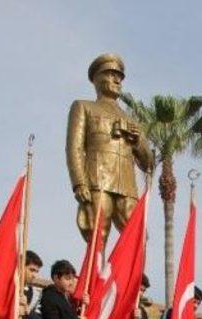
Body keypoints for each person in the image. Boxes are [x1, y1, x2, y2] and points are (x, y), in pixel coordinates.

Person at [66, 54, 154, 245]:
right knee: (97, 232)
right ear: (97, 78)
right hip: (97, 179)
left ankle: (133, 276)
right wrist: (79, 183)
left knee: (137, 238)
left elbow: (148, 164)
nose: (117, 80)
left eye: (120, 76)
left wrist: (138, 140)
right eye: (111, 74)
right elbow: (74, 148)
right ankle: (96, 275)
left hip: (127, 185)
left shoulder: (131, 119)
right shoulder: (83, 107)